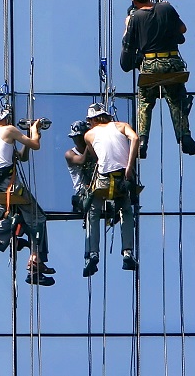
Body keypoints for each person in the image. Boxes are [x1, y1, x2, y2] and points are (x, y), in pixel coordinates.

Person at [0, 103, 55, 286]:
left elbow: (22, 156)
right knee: (38, 217)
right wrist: (34, 132)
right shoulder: (8, 130)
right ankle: (36, 261)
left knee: (15, 217)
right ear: (3, 117)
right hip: (7, 183)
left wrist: (28, 135)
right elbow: (35, 146)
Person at [120, 0, 195, 158]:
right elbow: (182, 30)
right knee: (176, 98)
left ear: (133, 1)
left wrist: (128, 27)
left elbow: (127, 53)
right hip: (172, 62)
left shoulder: (135, 17)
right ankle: (185, 136)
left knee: (145, 102)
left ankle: (142, 141)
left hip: (150, 64)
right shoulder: (166, 8)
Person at [82, 103, 139, 273]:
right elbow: (135, 138)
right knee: (126, 210)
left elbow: (94, 156)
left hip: (104, 180)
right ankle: (127, 252)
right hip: (123, 178)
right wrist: (129, 166)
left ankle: (93, 253)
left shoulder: (89, 135)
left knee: (93, 211)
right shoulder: (122, 126)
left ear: (93, 120)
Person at [64, 120, 100, 276]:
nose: (77, 140)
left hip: (97, 191)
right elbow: (82, 160)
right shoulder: (70, 154)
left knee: (95, 212)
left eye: (80, 137)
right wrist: (90, 143)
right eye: (76, 138)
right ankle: (90, 255)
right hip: (82, 194)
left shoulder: (94, 150)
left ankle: (91, 255)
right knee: (91, 213)